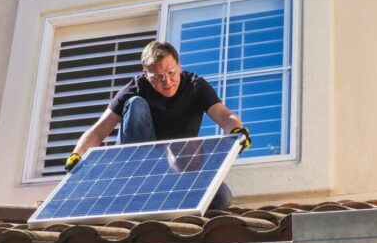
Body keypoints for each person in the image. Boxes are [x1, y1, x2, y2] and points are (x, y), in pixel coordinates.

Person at [63, 40, 251, 210]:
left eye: (171, 73)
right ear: (146, 74)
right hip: (140, 165)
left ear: (179, 65)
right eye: (158, 77)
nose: (167, 82)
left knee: (221, 198)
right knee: (135, 104)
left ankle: (171, 201)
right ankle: (137, 182)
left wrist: (236, 131)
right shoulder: (135, 88)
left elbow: (224, 116)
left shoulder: (196, 86)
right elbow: (98, 131)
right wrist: (77, 156)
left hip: (179, 167)